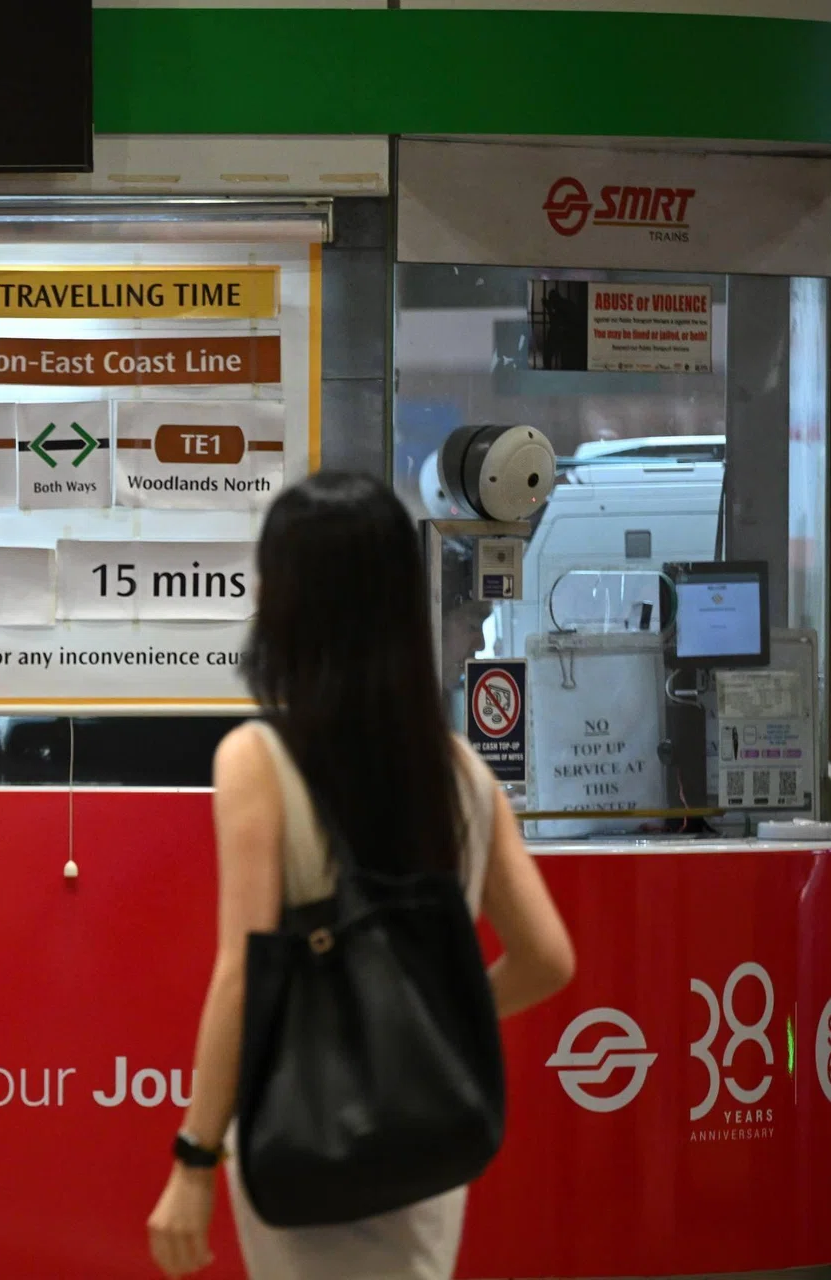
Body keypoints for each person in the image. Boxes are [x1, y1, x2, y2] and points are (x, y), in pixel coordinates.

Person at [145, 472, 575, 1280]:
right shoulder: (460, 772)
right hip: (426, 1144)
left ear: (294, 601)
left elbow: (242, 977)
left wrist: (193, 1158)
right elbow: (548, 958)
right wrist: (427, 1017)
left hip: (303, 1132)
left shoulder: (259, 762)